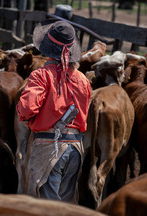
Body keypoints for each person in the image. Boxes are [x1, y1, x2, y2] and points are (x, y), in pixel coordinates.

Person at [16, 20, 91, 202]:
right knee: (64, 205)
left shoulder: (41, 75)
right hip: (75, 147)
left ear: (47, 48)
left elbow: (26, 108)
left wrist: (27, 119)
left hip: (49, 147)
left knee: (46, 206)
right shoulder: (83, 80)